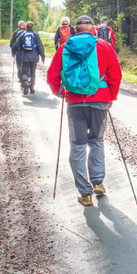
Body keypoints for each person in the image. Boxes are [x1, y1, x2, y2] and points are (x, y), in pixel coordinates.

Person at [48, 15, 122, 207]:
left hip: (75, 103)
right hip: (100, 101)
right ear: (93, 29)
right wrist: (111, 96)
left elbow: (52, 76)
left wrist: (61, 92)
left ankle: (85, 193)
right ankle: (97, 182)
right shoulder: (104, 46)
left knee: (78, 146)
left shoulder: (65, 48)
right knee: (96, 141)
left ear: (75, 29)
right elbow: (116, 73)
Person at [11, 21, 45, 94]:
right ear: (32, 27)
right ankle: (32, 87)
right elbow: (40, 47)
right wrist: (43, 57)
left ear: (26, 27)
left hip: (25, 57)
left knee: (25, 71)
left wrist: (13, 53)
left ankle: (25, 82)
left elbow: (15, 45)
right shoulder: (36, 35)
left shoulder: (22, 35)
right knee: (33, 72)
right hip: (34, 57)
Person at [10, 21, 27, 85]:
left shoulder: (16, 33)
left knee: (19, 65)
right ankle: (25, 77)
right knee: (25, 65)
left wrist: (13, 52)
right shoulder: (27, 32)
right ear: (24, 26)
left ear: (18, 26)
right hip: (26, 52)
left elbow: (12, 44)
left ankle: (20, 78)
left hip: (18, 52)